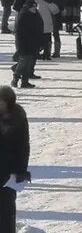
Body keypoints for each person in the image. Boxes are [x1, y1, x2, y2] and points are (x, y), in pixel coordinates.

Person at [0, 85, 31, 233]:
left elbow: (23, 146)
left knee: (7, 210)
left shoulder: (18, 118)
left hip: (8, 171)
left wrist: (21, 170)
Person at [10, 0, 41, 89]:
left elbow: (39, 28)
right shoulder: (23, 16)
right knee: (24, 61)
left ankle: (25, 81)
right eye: (32, 7)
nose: (34, 8)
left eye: (35, 6)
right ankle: (15, 77)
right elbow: (19, 32)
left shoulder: (36, 15)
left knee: (29, 63)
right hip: (24, 43)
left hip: (33, 43)